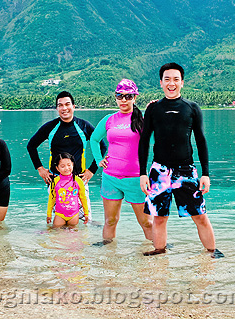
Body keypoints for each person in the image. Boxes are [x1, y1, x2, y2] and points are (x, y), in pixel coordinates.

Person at [139, 63, 223, 257]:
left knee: (199, 215)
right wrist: (142, 173)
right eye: (167, 79)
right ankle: (159, 251)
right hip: (159, 171)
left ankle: (212, 253)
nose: (172, 83)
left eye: (176, 79)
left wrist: (206, 174)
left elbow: (201, 140)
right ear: (161, 83)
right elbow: (144, 141)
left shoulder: (192, 108)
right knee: (159, 217)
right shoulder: (153, 108)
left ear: (182, 82)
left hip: (186, 170)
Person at [90, 79, 152, 243]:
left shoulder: (142, 120)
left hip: (136, 179)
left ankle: (158, 248)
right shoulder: (109, 119)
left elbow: (158, 138)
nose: (124, 100)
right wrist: (99, 160)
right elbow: (94, 139)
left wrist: (155, 114)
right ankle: (109, 255)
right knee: (110, 221)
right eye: (120, 96)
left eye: (128, 96)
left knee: (146, 222)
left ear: (135, 98)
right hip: (110, 178)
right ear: (116, 97)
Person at [27, 91, 104, 216]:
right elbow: (31, 145)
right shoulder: (50, 127)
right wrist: (40, 169)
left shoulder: (83, 126)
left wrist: (92, 170)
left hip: (79, 180)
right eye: (60, 105)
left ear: (73, 106)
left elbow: (102, 145)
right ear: (57, 108)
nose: (64, 108)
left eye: (67, 104)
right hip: (56, 180)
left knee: (84, 219)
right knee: (59, 220)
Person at [47, 153, 89, 227]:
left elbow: (83, 198)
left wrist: (86, 213)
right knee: (55, 231)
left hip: (74, 215)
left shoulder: (78, 181)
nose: (66, 168)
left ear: (73, 164)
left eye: (69, 165)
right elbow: (52, 198)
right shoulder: (55, 181)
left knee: (73, 233)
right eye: (62, 166)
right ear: (57, 168)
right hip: (60, 214)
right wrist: (49, 214)